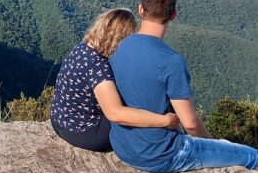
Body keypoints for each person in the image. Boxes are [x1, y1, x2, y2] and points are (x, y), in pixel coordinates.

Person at [109, 0, 258, 173]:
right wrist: (212, 143)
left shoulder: (119, 45)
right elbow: (189, 123)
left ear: (141, 9)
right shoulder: (171, 60)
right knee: (254, 157)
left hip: (123, 148)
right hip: (160, 155)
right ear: (173, 15)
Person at [51, 8, 180, 152]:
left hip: (59, 122)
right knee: (143, 95)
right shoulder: (98, 67)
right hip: (87, 134)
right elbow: (115, 114)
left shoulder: (82, 47)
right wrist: (165, 121)